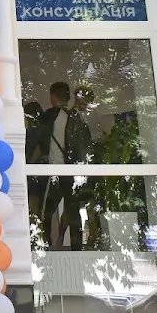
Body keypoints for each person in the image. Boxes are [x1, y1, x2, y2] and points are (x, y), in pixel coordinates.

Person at [34, 82, 92, 251]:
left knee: (46, 211)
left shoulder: (51, 116)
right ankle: (76, 248)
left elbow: (39, 140)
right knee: (73, 212)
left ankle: (44, 245)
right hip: (73, 173)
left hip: (55, 172)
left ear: (53, 97)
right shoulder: (77, 118)